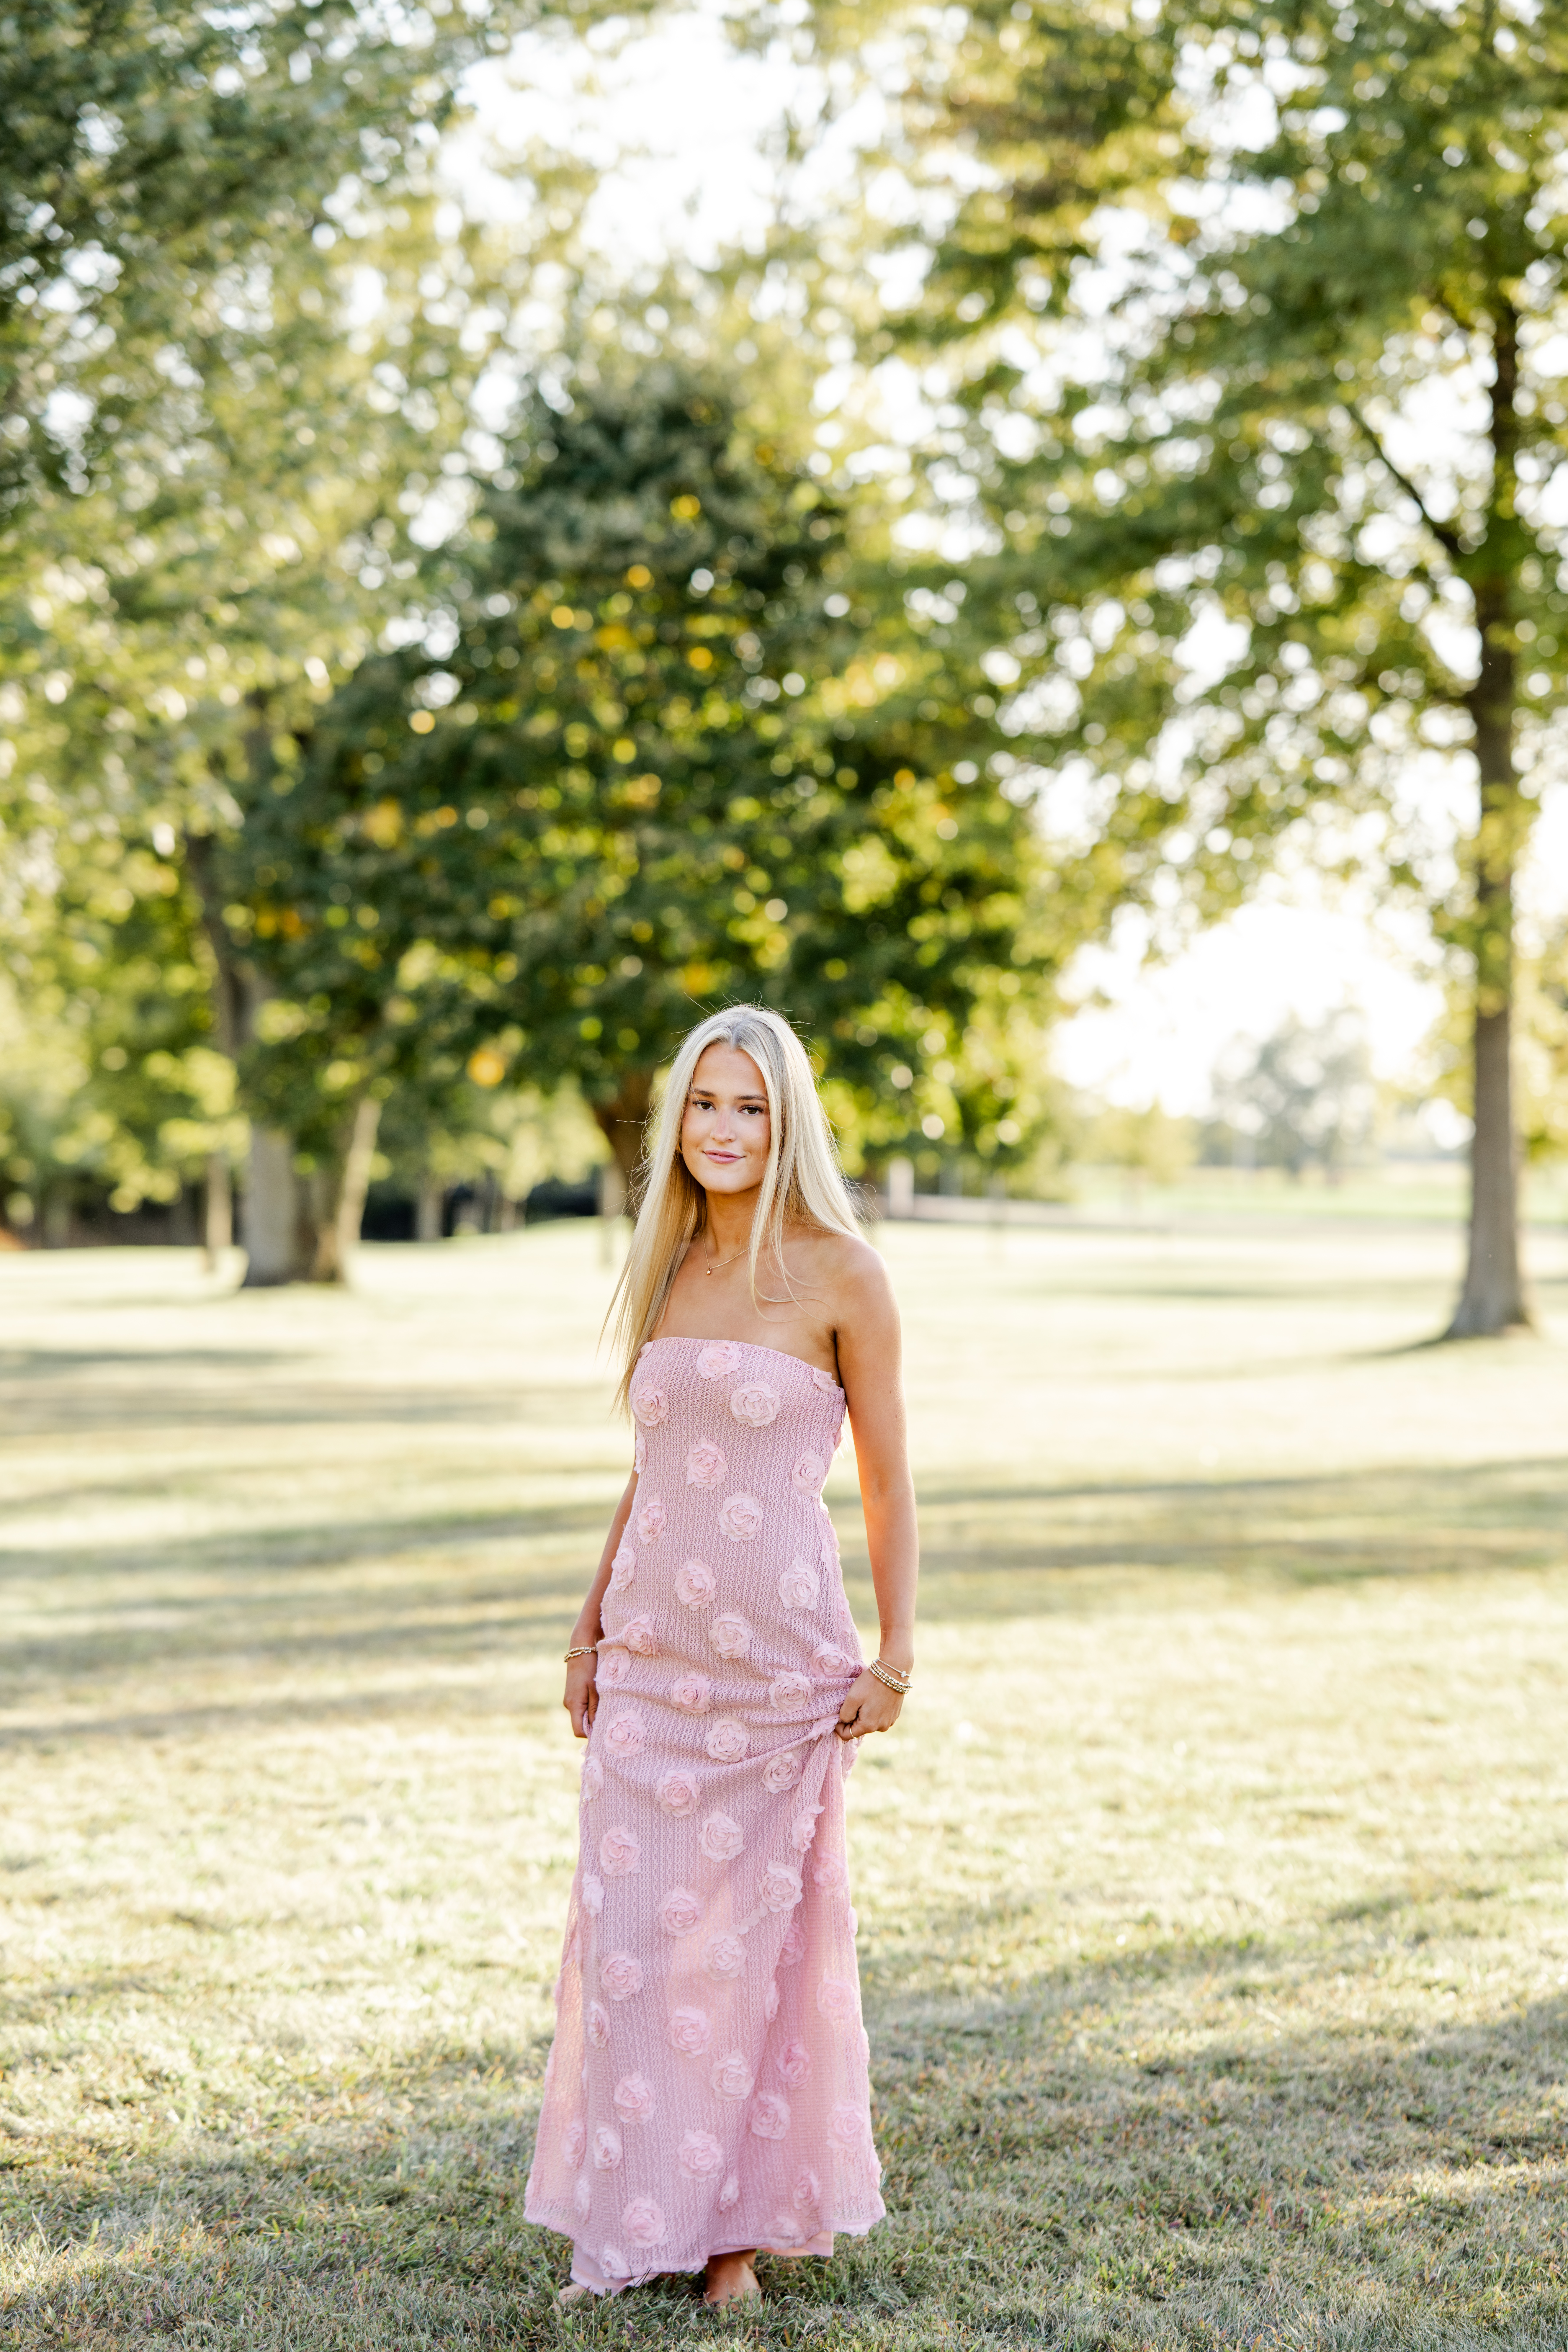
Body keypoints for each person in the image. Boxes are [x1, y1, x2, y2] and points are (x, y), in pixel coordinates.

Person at [524, 1005, 918, 2307]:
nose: (725, 1128)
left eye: (750, 1106)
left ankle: (730, 2242)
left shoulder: (843, 1271)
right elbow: (651, 1470)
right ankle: (636, 2216)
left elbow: (884, 1483)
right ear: (678, 1120)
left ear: (788, 1118)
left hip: (779, 1680)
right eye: (705, 1104)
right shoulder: (668, 1259)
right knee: (633, 1945)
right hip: (651, 1663)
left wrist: (898, 1652)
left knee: (745, 1954)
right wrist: (588, 1622)